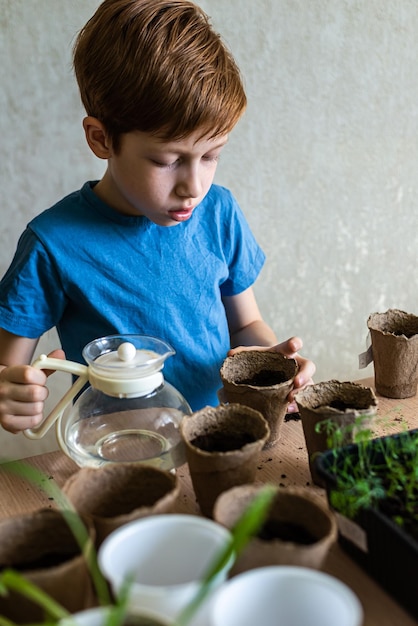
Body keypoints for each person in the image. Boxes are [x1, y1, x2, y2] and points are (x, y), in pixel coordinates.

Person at [0, 0, 315, 435]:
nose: (194, 186)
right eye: (168, 160)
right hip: (116, 462)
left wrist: (272, 361)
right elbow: (9, 370)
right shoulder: (52, 244)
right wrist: (14, 397)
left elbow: (244, 324)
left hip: (221, 441)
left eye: (211, 156)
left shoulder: (219, 212)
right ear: (101, 138)